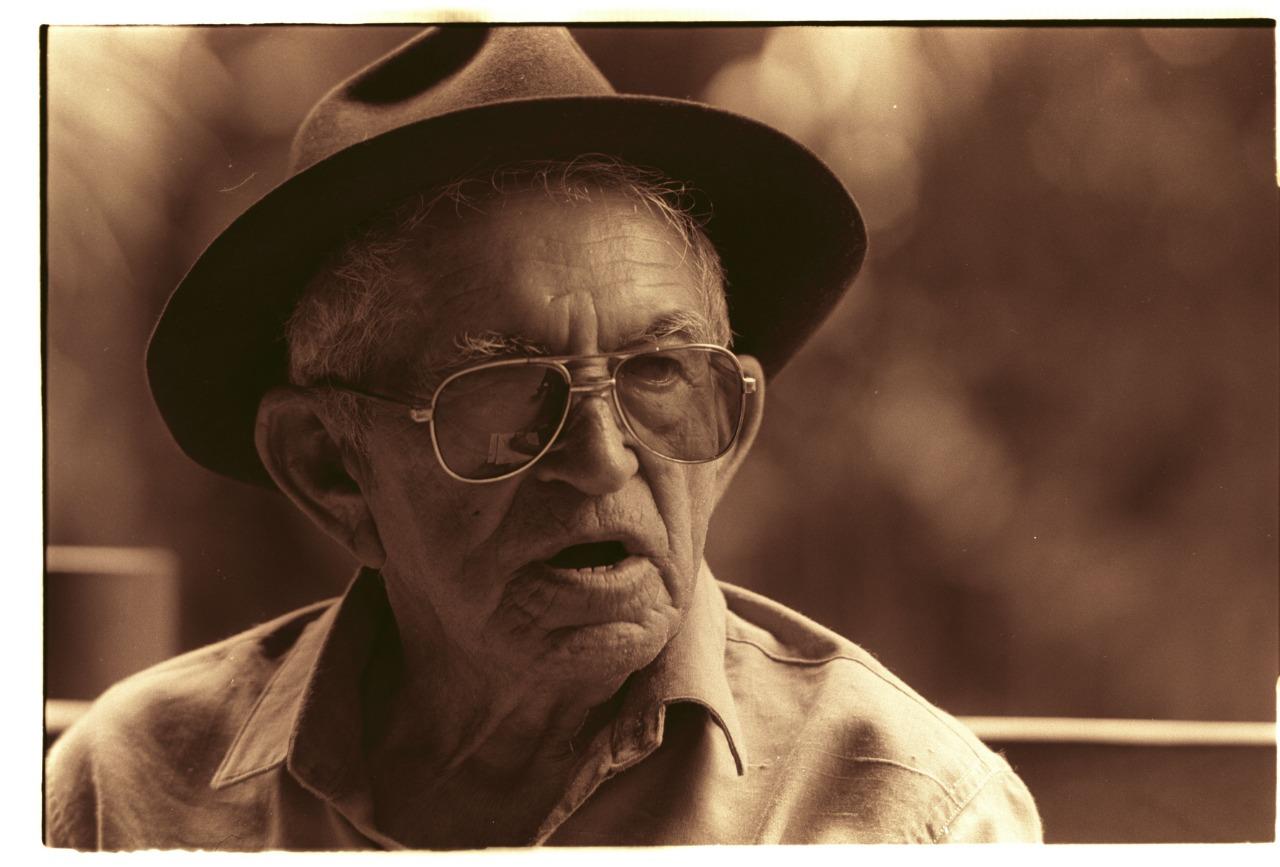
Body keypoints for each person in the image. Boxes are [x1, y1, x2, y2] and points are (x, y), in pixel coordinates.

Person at [44, 27, 1042, 849]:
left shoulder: (908, 814)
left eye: (658, 372)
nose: (602, 457)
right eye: (508, 389)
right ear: (329, 466)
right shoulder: (127, 791)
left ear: (731, 427)